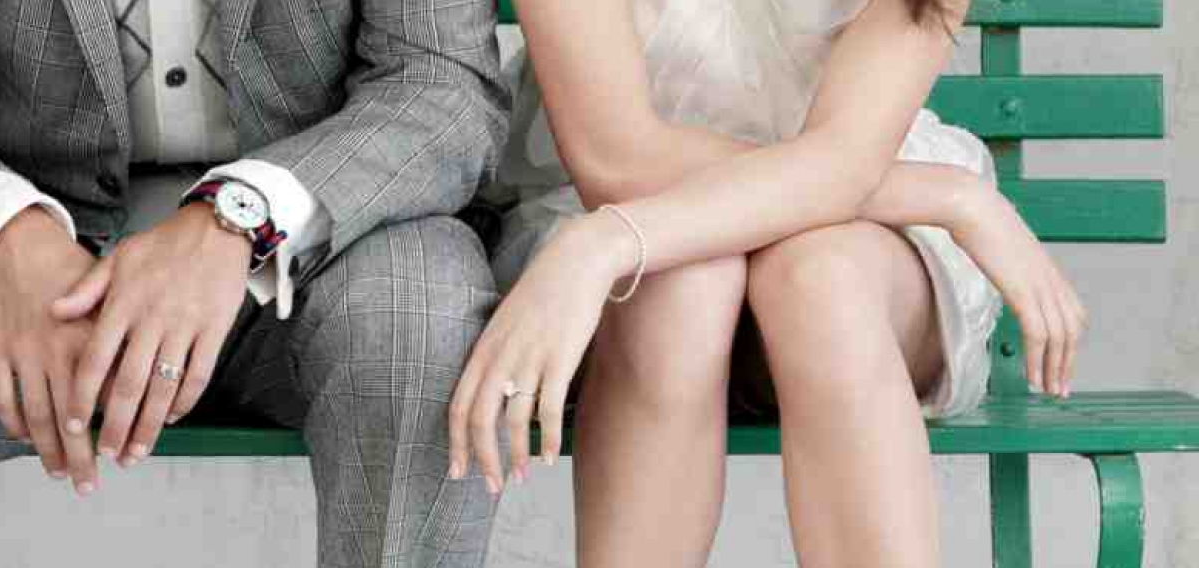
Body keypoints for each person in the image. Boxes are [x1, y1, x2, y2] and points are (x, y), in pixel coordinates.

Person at [0, 1, 511, 567]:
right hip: (35, 282)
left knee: (420, 302)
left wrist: (238, 218)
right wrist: (4, 233)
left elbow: (439, 87)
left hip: (308, 258)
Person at [449, 0, 1086, 566]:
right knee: (679, 284)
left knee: (821, 281)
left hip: (851, 238)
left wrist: (606, 242)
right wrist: (947, 196)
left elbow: (845, 159)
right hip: (639, 235)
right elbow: (615, 159)